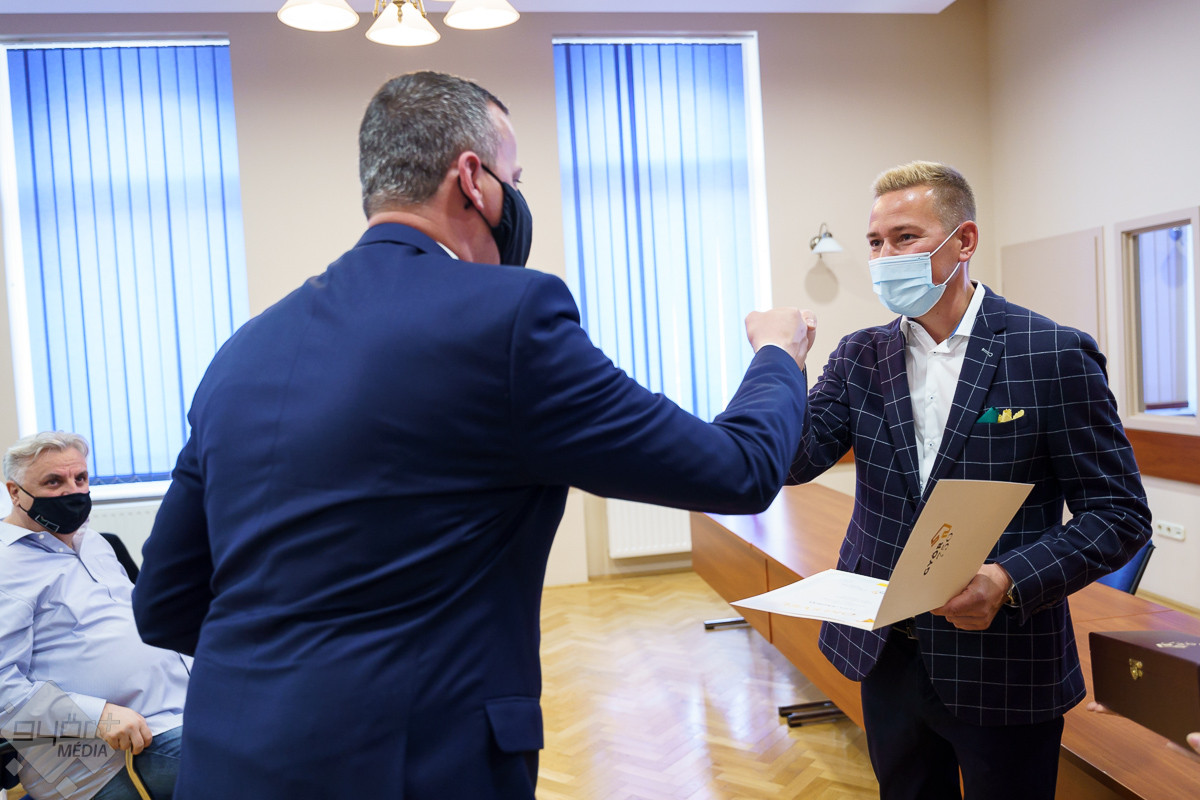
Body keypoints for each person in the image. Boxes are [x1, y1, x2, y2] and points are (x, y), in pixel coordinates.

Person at [130, 70, 818, 800]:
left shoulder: (240, 353)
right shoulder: (510, 318)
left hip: (225, 760)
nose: (518, 199)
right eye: (514, 180)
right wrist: (778, 354)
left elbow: (164, 601)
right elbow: (738, 469)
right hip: (413, 767)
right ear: (471, 180)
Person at [786, 161, 1152, 800]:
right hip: (887, 655)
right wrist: (781, 366)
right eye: (875, 243)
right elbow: (791, 463)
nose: (885, 258)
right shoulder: (859, 357)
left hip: (1003, 658)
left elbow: (1118, 514)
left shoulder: (1052, 354)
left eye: (906, 238)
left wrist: (1007, 580)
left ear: (964, 242)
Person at [0, 431, 190, 800]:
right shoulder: (6, 566)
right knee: (261, 761)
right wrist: (99, 715)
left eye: (80, 478)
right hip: (108, 757)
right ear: (15, 492)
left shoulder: (94, 542)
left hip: (178, 717)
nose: (72, 491)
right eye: (53, 482)